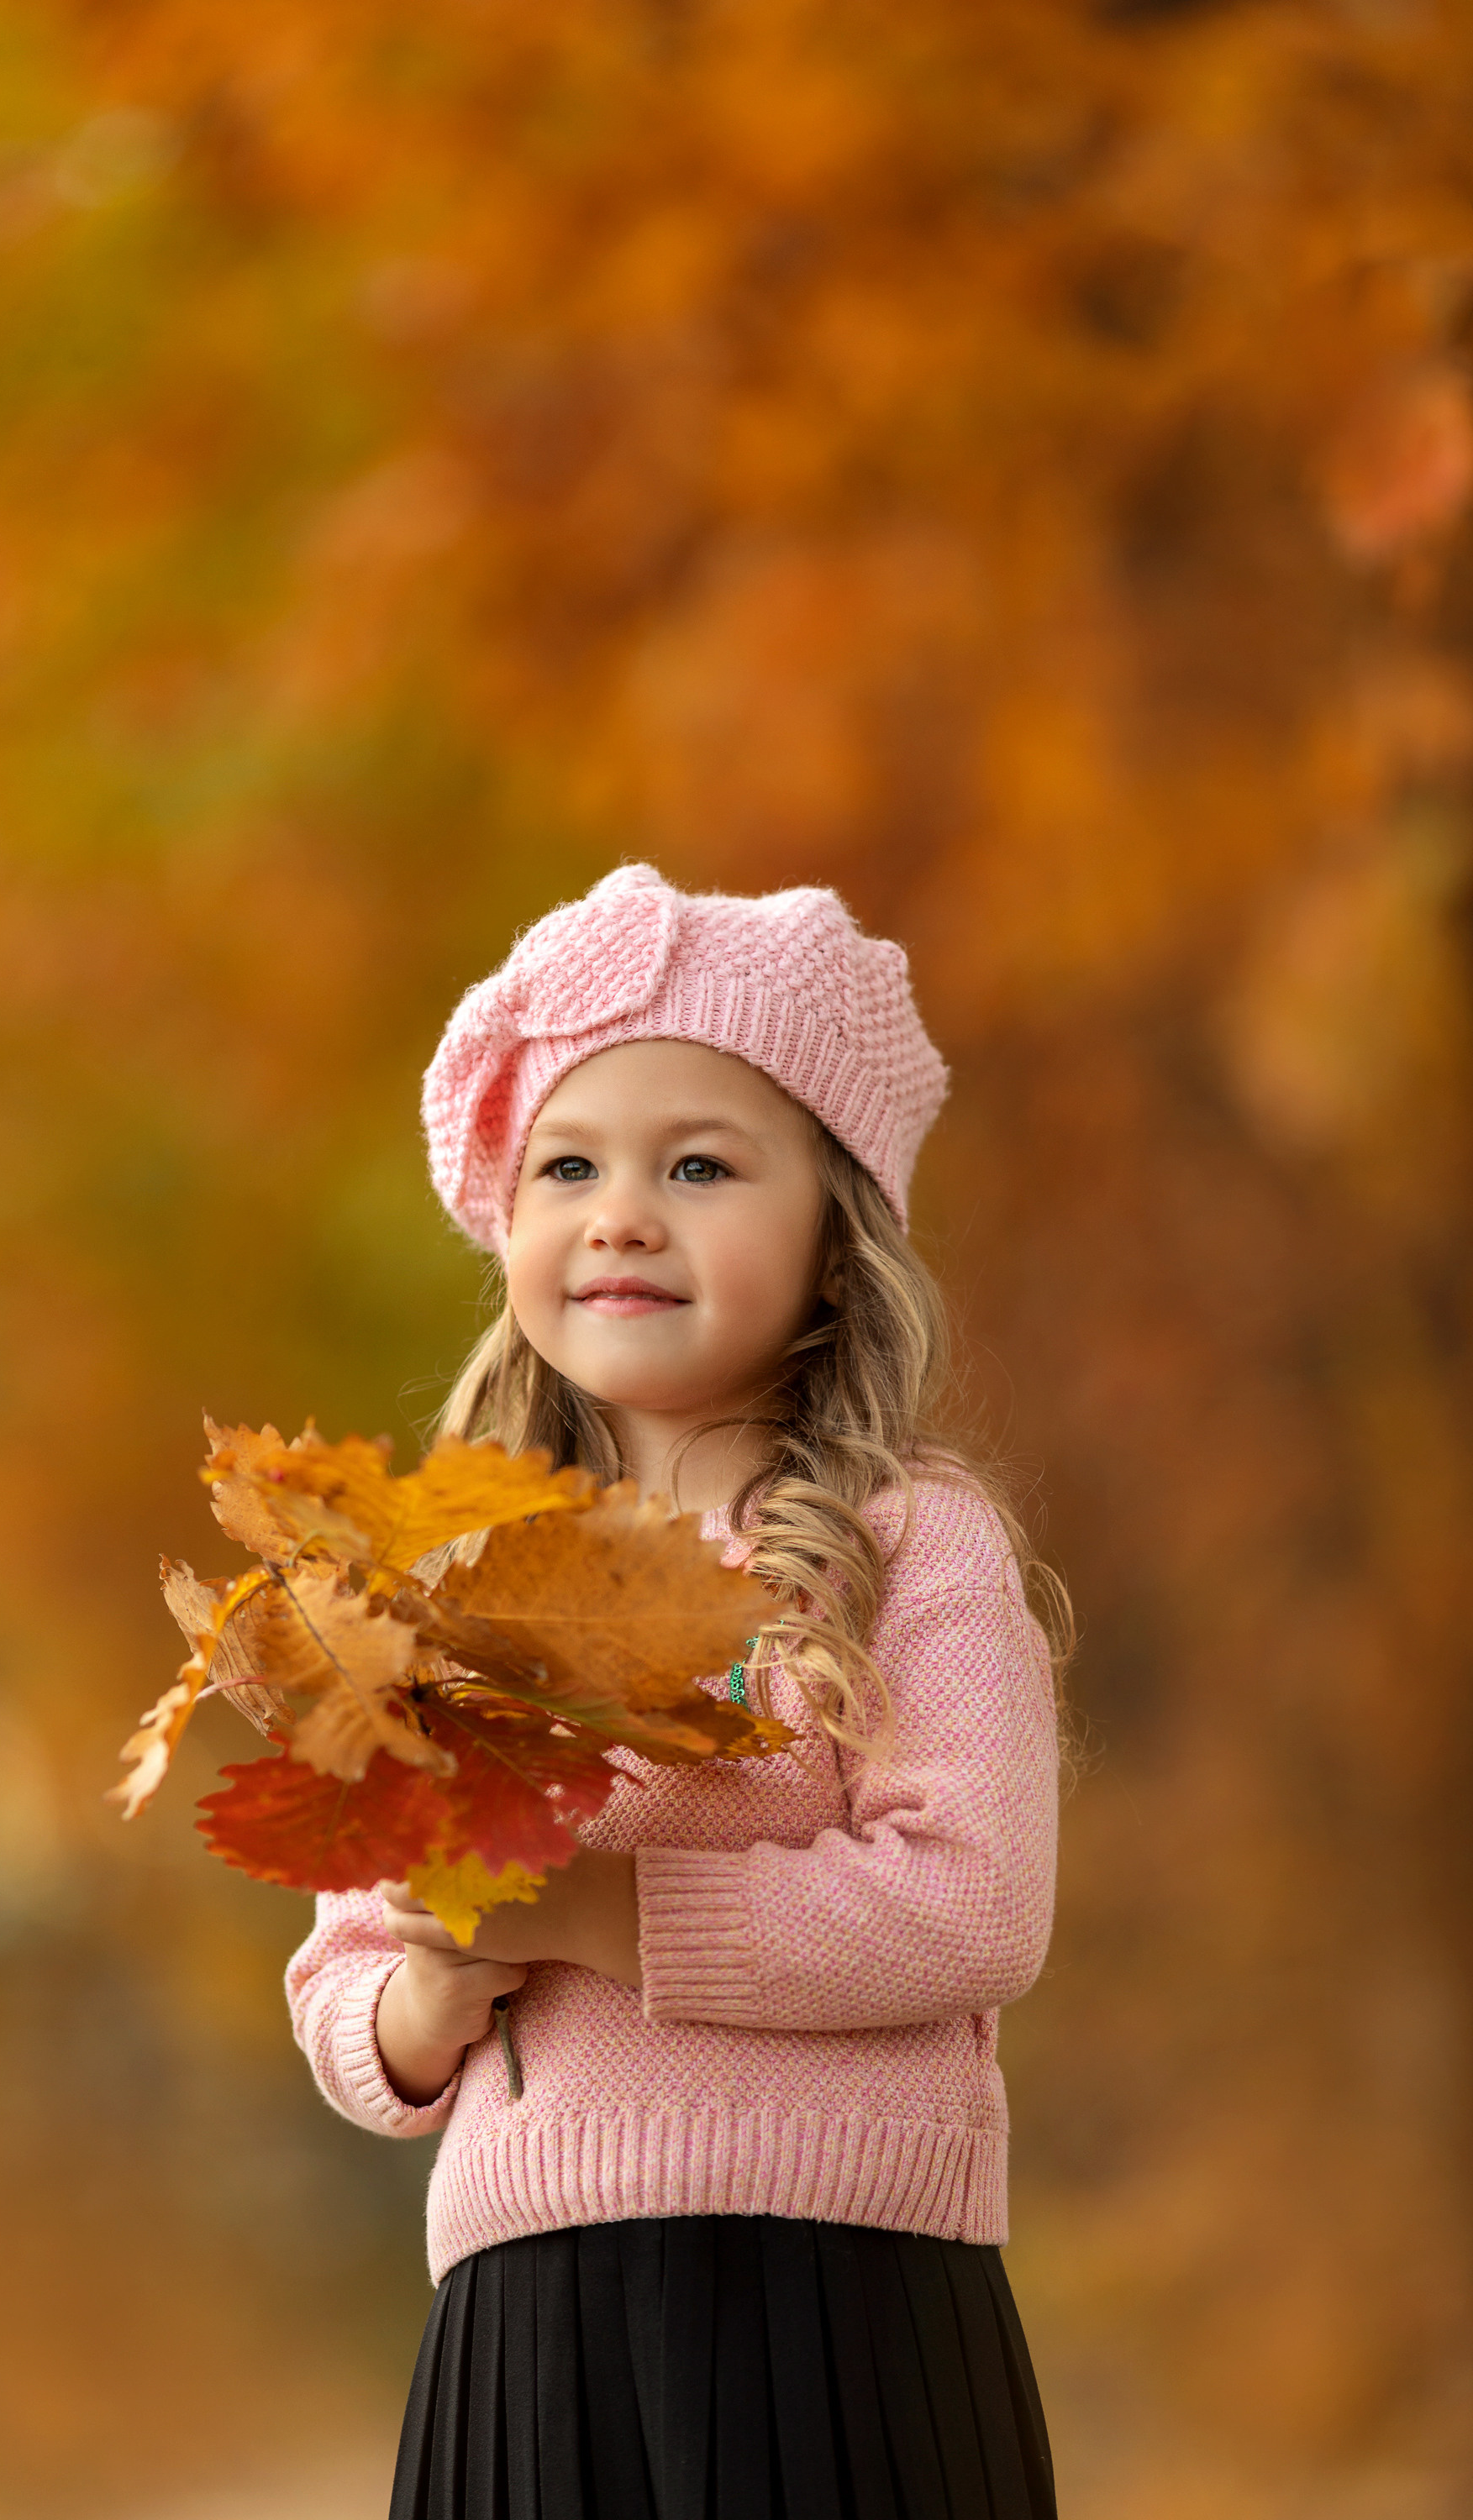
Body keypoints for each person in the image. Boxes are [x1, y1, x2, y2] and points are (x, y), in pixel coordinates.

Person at [287, 864, 1065, 2520]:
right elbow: (344, 1967)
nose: (620, 1211)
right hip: (528, 2313)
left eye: (698, 1166)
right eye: (568, 1166)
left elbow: (972, 1906)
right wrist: (415, 2010)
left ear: (838, 1247)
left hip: (845, 2301)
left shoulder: (904, 1546)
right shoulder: (460, 1595)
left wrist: (599, 1916)